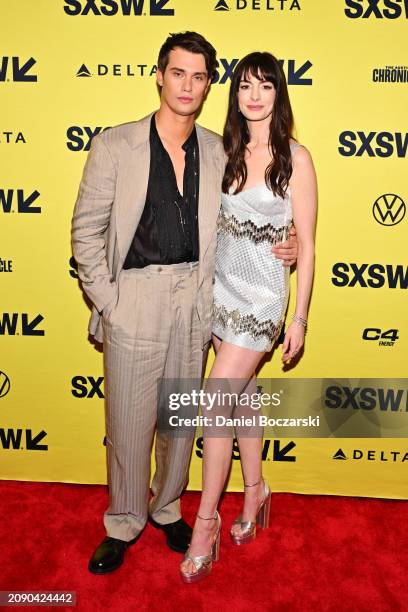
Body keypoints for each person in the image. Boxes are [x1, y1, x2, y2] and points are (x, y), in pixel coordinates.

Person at [71, 33, 298, 575]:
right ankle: (124, 520)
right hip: (136, 296)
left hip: (200, 295)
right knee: (127, 422)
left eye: (199, 77)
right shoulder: (115, 145)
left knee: (181, 419)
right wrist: (110, 301)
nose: (188, 86)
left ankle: (168, 507)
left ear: (207, 84)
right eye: (179, 73)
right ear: (159, 75)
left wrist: (284, 244)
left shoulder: (223, 149)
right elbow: (85, 232)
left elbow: (259, 206)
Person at [180, 51, 317, 583]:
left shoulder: (296, 157)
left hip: (262, 298)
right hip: (222, 290)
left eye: (264, 86)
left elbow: (305, 244)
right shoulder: (224, 150)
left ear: (279, 94)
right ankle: (255, 491)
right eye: (244, 86)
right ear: (234, 95)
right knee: (241, 401)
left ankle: (206, 523)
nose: (253, 95)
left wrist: (299, 317)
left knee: (216, 400)